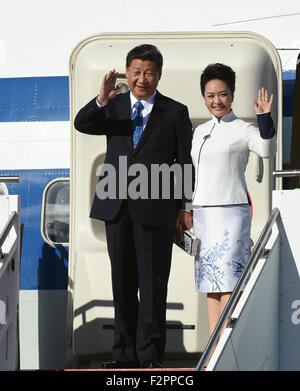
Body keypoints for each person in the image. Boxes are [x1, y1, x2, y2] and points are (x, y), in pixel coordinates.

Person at [74, 44, 193, 369]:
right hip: (117, 208)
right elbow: (81, 123)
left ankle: (150, 356)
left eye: (149, 73)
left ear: (158, 75)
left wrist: (185, 208)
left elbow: (184, 162)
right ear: (128, 73)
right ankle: (123, 354)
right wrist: (101, 98)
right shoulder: (112, 107)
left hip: (157, 210)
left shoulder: (175, 111)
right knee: (122, 284)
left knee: (154, 286)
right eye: (137, 72)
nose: (142, 79)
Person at [191, 63, 277, 340]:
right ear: (204, 97)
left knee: (229, 282)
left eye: (223, 94)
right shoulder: (199, 131)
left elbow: (267, 148)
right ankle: (213, 347)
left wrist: (264, 117)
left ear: (232, 95)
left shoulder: (243, 128)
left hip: (230, 214)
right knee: (211, 284)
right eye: (210, 95)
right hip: (203, 214)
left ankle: (227, 345)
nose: (217, 101)